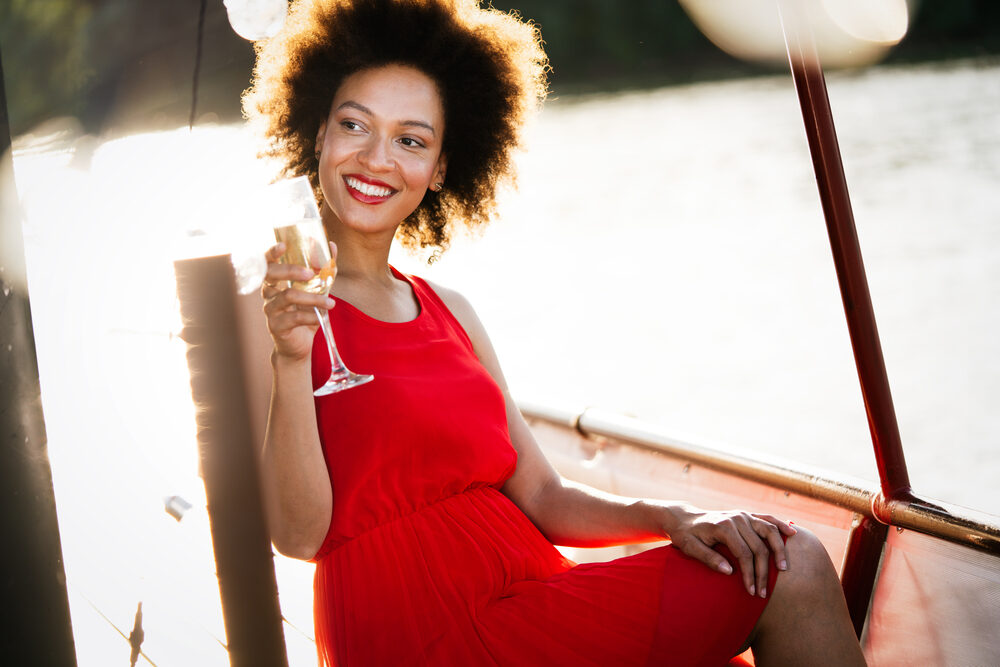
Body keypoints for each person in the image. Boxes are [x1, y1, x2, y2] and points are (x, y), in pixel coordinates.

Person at [243, 0, 867, 664]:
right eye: (354, 125)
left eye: (411, 139)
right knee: (790, 566)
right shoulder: (275, 307)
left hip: (527, 592)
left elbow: (543, 494)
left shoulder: (448, 308)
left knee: (769, 553)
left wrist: (673, 518)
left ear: (442, 168)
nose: (377, 158)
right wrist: (290, 357)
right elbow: (299, 535)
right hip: (418, 628)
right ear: (317, 136)